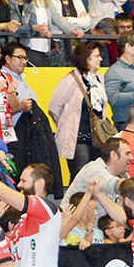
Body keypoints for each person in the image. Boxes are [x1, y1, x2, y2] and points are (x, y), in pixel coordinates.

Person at [49, 41, 107, 175]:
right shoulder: (70, 80)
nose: (101, 59)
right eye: (97, 56)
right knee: (80, 176)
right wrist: (66, 124)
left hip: (97, 138)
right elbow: (53, 107)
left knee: (96, 175)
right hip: (78, 139)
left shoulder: (99, 79)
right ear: (86, 58)